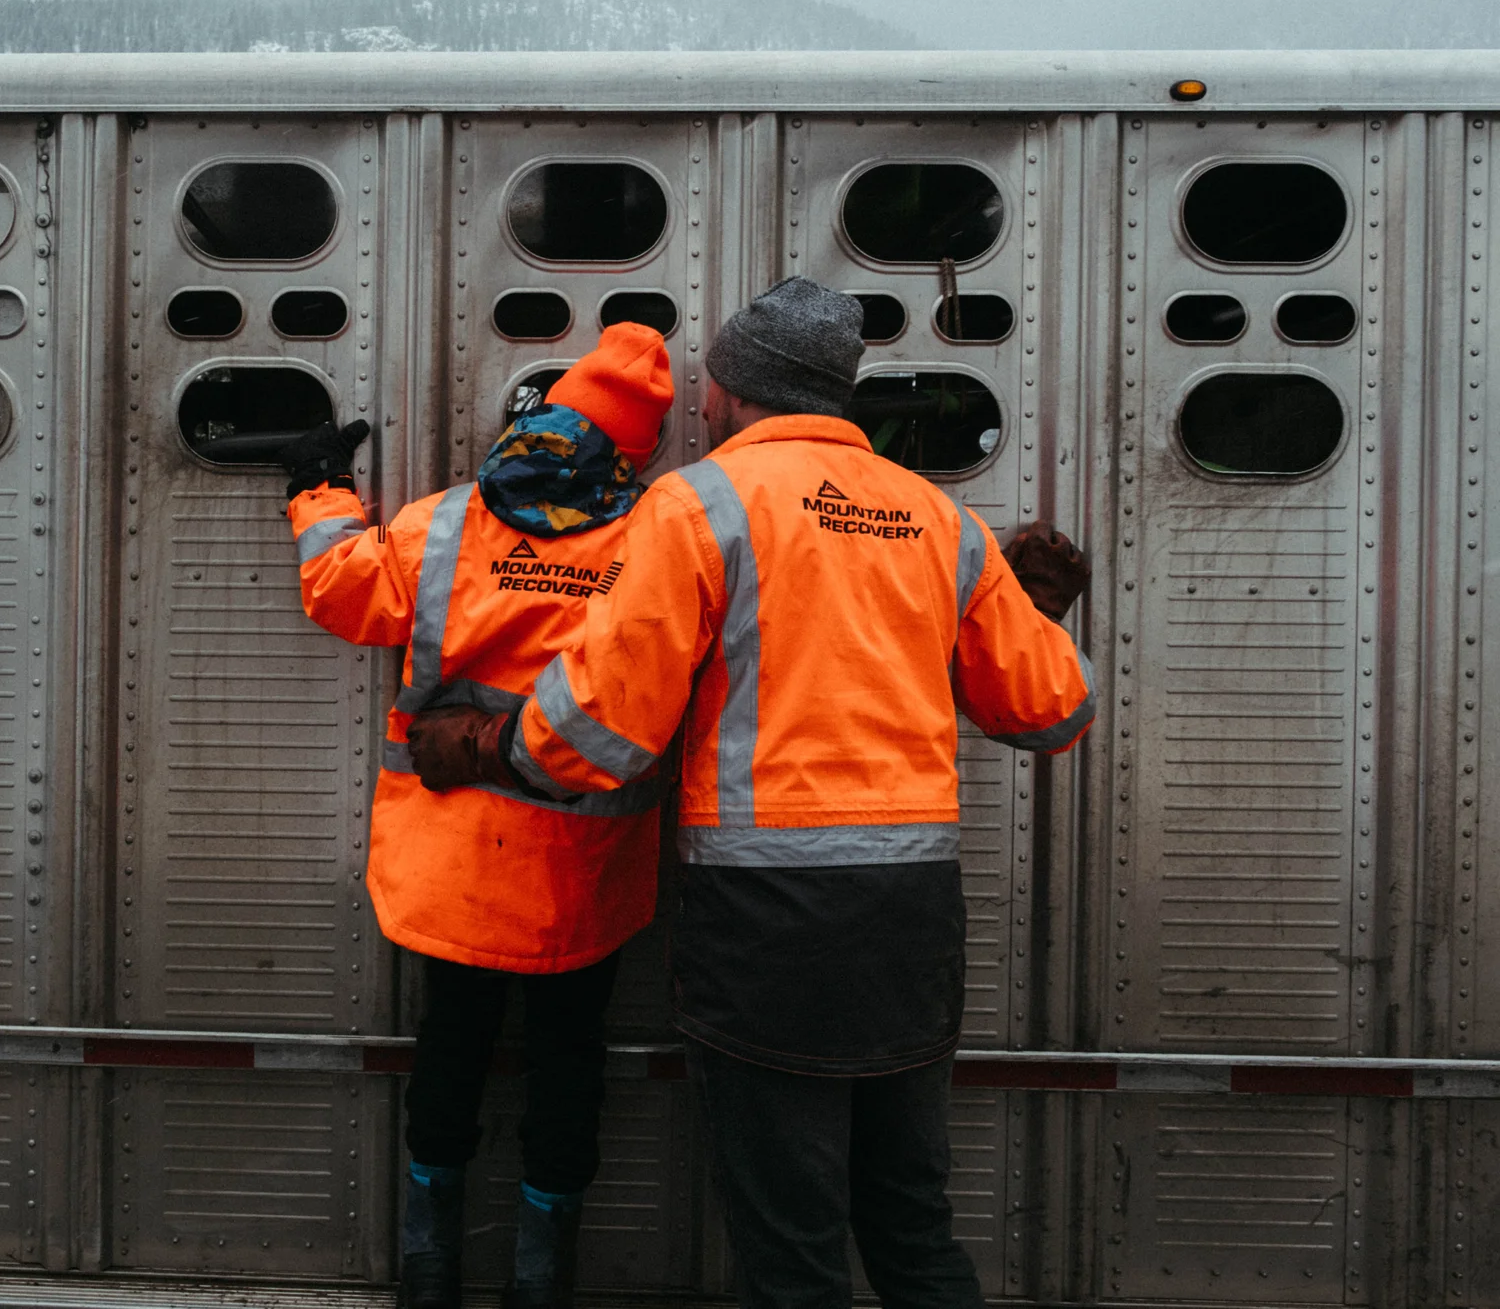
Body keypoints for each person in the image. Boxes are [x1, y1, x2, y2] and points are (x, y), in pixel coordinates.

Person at [405, 278, 1095, 1309]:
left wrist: (480, 744)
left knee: (790, 1246)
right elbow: (1052, 711)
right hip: (910, 923)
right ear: (835, 395)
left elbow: (589, 737)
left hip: (768, 923)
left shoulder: (701, 505)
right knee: (908, 1224)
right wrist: (1030, 614)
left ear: (727, 392)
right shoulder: (936, 521)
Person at [280, 324, 677, 1309]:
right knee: (566, 1066)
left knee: (449, 1053)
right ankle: (541, 1280)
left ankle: (427, 1273)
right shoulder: (650, 541)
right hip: (581, 874)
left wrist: (317, 487)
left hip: (448, 865)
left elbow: (339, 590)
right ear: (639, 449)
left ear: (548, 411)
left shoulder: (449, 521)